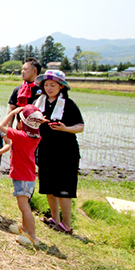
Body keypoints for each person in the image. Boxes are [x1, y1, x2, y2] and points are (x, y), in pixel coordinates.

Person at [34, 70, 85, 234]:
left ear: (61, 86)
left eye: (53, 85)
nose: (49, 88)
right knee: (48, 186)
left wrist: (65, 129)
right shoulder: (38, 103)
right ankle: (54, 218)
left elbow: (80, 127)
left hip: (65, 151)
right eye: (46, 85)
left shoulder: (69, 104)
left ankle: (67, 224)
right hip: (45, 149)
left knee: (64, 187)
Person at [0, 105, 44, 246]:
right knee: (25, 205)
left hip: (23, 177)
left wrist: (12, 112)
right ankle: (25, 229)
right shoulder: (36, 137)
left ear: (20, 122)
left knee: (24, 207)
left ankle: (32, 236)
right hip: (29, 176)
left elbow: (1, 126)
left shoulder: (20, 136)